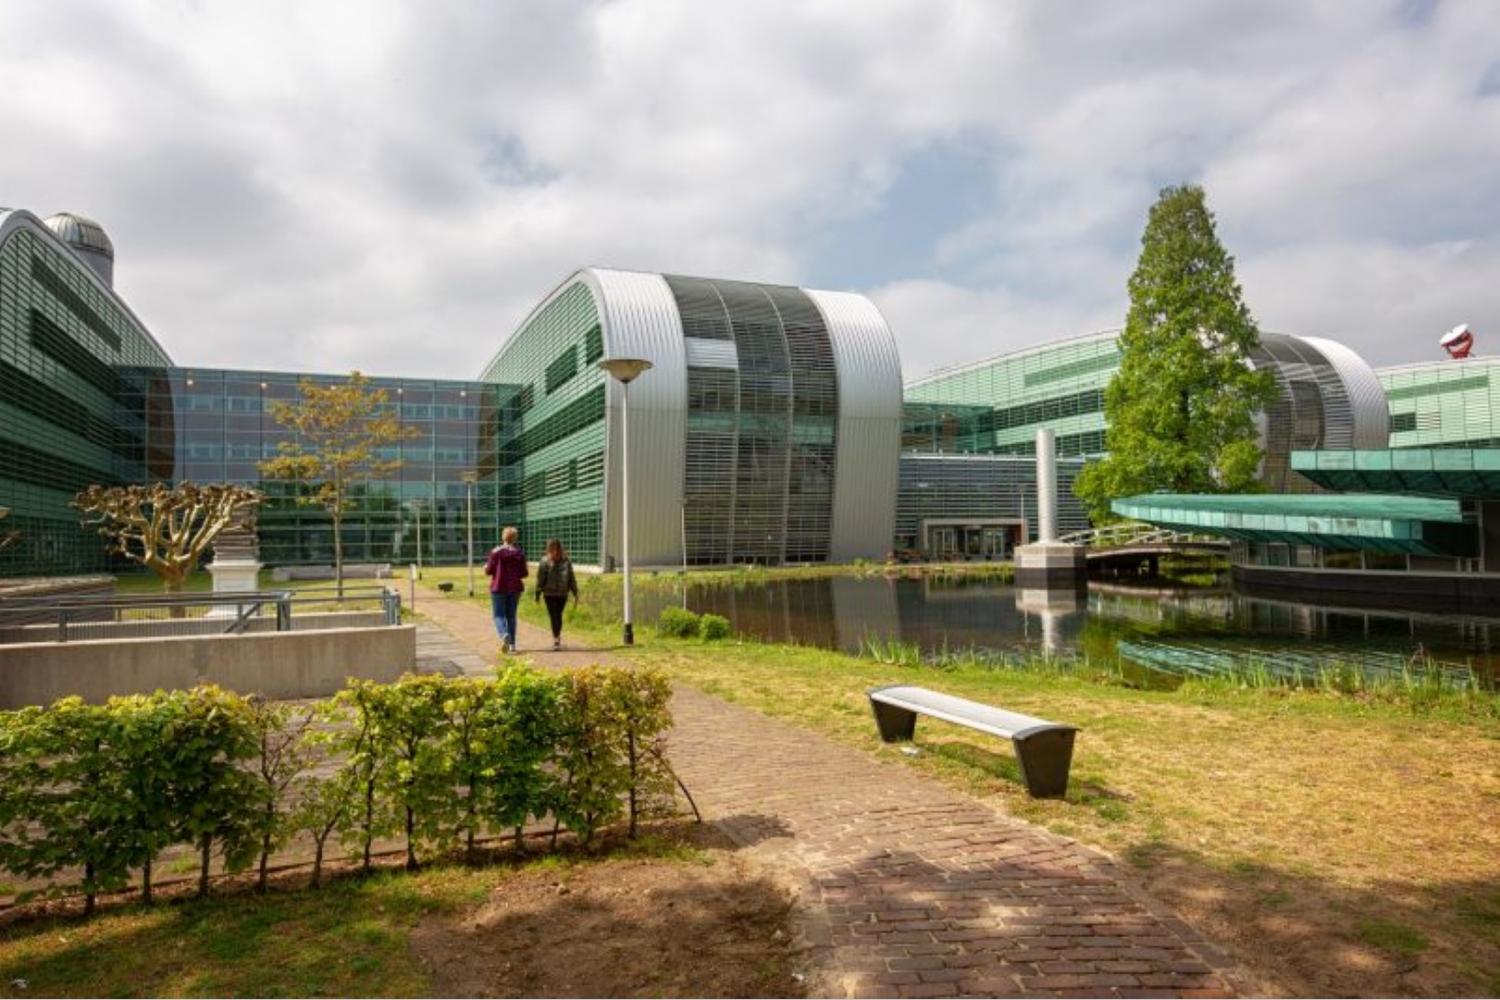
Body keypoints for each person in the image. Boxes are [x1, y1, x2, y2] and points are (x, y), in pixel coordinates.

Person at [483, 526, 527, 653]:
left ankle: (504, 634)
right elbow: (523, 573)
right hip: (515, 588)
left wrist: (486, 567)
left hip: (498, 587)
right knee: (511, 616)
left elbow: (489, 570)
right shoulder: (519, 553)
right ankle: (512, 645)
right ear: (515, 538)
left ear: (503, 537)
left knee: (498, 615)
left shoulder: (496, 552)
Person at [534, 537, 580, 651]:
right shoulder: (545, 561)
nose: (553, 550)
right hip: (550, 594)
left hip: (561, 593)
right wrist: (538, 593)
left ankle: (556, 638)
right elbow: (541, 579)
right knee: (555, 615)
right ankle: (556, 639)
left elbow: (571, 578)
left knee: (557, 615)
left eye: (555, 548)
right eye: (551, 548)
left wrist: (575, 592)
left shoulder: (565, 561)